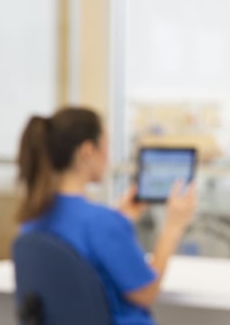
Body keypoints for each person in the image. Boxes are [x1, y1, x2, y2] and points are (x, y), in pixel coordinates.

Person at [15, 107, 197, 325]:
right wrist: (172, 228)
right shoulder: (102, 222)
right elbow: (146, 293)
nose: (108, 156)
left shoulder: (32, 218)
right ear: (87, 151)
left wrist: (122, 219)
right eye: (106, 145)